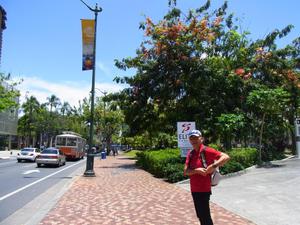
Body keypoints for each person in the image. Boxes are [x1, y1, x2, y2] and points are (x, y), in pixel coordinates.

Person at [183, 129, 230, 225]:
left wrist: (213, 166)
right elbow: (185, 172)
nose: (194, 140)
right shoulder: (190, 153)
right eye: (192, 138)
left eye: (196, 138)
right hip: (194, 189)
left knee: (205, 216)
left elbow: (225, 157)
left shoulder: (207, 150)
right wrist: (197, 171)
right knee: (200, 215)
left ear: (201, 139)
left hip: (204, 189)